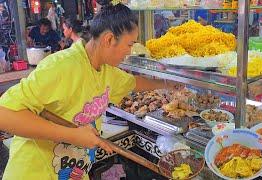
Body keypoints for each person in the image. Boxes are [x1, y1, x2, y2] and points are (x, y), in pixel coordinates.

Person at [0, 1, 177, 179]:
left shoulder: (106, 70)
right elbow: (4, 114)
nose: (129, 52)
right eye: (129, 44)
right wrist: (71, 135)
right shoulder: (63, 66)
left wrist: (169, 84)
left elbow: (133, 83)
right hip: (34, 173)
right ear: (109, 39)